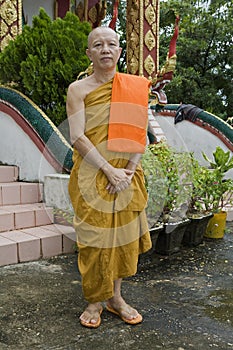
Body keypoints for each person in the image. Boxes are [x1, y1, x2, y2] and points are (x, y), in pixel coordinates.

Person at [66, 26, 152, 328]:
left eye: (111, 44)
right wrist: (109, 170)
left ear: (120, 51)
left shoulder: (134, 87)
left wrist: (127, 171)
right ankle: (94, 300)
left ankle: (115, 298)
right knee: (95, 239)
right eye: (98, 45)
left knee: (122, 239)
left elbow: (140, 134)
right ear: (89, 53)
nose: (105, 49)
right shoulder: (78, 90)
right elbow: (77, 136)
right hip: (93, 174)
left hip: (126, 175)